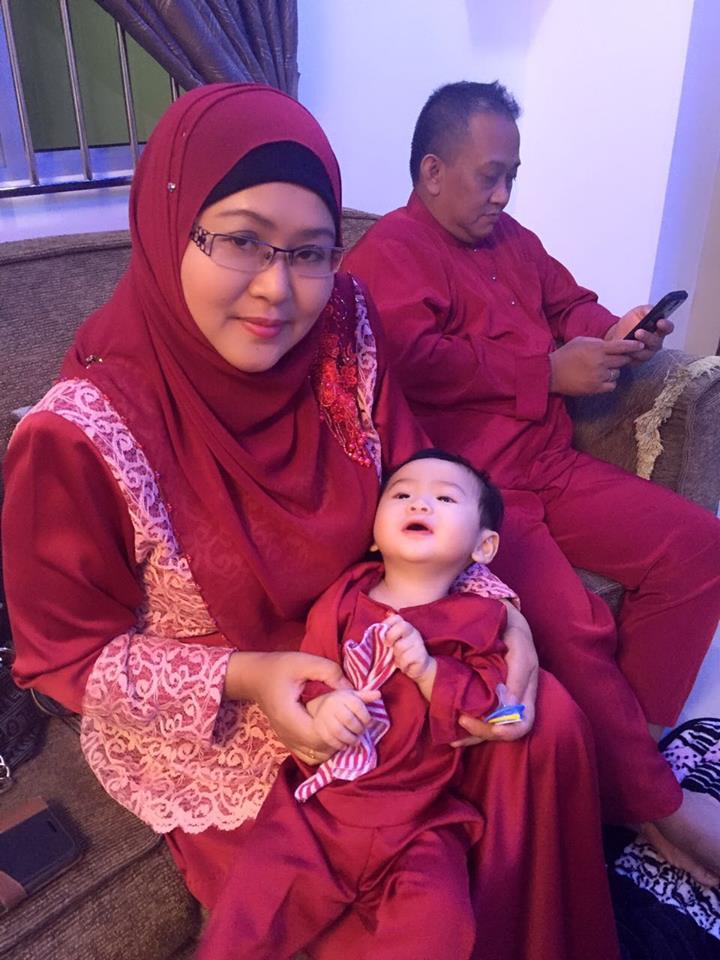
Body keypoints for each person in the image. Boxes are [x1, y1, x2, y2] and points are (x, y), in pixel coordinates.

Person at [1, 83, 619, 960]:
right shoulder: (77, 435)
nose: (278, 290)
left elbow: (416, 482)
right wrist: (252, 676)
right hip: (234, 717)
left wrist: (505, 618)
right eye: (242, 240)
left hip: (381, 642)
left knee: (544, 727)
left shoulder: (343, 327)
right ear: (170, 223)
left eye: (311, 252)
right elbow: (65, 658)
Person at [345, 80, 720, 885]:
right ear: (432, 170)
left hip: (551, 464)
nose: (503, 195)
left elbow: (568, 302)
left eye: (512, 175)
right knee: (573, 626)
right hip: (478, 495)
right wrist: (545, 371)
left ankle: (627, 773)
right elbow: (416, 362)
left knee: (699, 546)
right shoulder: (385, 257)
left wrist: (617, 331)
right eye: (490, 176)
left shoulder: (511, 239)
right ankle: (660, 806)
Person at [200, 449, 517, 960]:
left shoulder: (479, 621)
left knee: (440, 927)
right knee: (242, 928)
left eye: (444, 498)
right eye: (402, 494)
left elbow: (492, 712)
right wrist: (323, 709)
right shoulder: (345, 596)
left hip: (420, 822)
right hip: (318, 811)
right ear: (373, 534)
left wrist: (430, 672)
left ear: (484, 545)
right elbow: (311, 672)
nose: (420, 503)